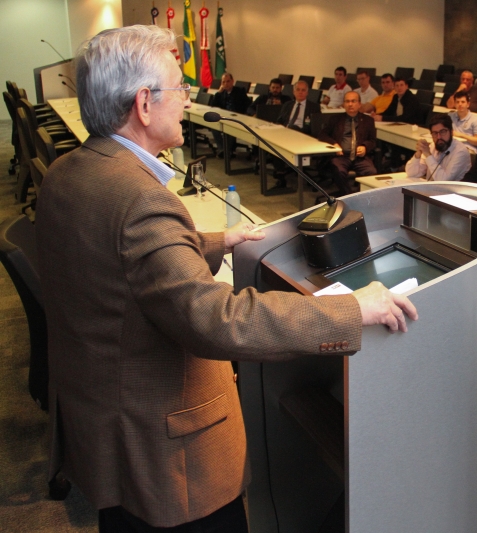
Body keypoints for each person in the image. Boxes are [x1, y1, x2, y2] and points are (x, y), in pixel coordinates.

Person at [35, 25, 417, 532]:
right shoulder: (141, 201)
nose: (188, 99)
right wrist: (353, 309)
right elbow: (217, 321)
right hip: (170, 462)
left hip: (106, 424)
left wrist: (211, 242)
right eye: (179, 87)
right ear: (144, 104)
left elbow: (113, 262)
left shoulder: (71, 171)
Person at [317, 91, 377, 196]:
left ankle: (361, 195)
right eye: (347, 101)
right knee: (338, 171)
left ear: (359, 104)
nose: (350, 104)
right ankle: (349, 196)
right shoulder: (335, 119)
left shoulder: (368, 121)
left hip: (360, 157)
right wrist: (334, 144)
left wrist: (365, 147)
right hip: (341, 156)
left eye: (353, 101)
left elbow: (373, 141)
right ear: (343, 104)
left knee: (371, 172)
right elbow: (322, 134)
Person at [272, 80, 322, 187]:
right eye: (298, 90)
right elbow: (279, 121)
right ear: (293, 92)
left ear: (307, 92)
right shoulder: (287, 105)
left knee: (293, 127)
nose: (300, 92)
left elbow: (315, 127)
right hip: (285, 134)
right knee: (272, 144)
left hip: (304, 136)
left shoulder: (314, 107)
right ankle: (280, 174)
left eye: (303, 90)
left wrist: (293, 130)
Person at [405, 115, 471, 181]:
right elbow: (412, 174)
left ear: (451, 132)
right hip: (430, 188)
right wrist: (418, 154)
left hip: (450, 190)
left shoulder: (461, 152)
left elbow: (443, 181)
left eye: (442, 132)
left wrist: (428, 155)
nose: (439, 137)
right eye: (435, 133)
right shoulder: (433, 146)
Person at [209, 72, 251, 158]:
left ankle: (227, 151)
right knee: (213, 125)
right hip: (224, 117)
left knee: (229, 127)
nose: (226, 84)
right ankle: (223, 149)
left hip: (238, 117)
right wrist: (218, 93)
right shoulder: (222, 93)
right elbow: (212, 105)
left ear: (232, 81)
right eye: (223, 82)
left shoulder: (240, 91)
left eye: (228, 81)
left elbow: (248, 105)